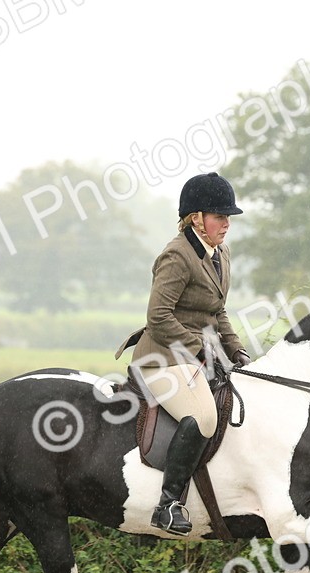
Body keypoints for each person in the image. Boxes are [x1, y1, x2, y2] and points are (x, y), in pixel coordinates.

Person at [115, 172, 252, 535]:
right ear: (196, 218)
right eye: (219, 216)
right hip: (161, 357)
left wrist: (237, 351)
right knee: (205, 417)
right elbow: (157, 317)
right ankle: (168, 504)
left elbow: (217, 311)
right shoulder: (176, 255)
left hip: (197, 355)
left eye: (228, 217)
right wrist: (200, 350)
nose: (226, 224)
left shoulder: (220, 253)